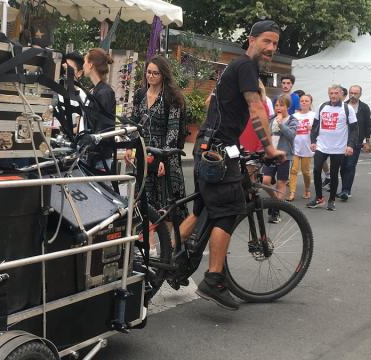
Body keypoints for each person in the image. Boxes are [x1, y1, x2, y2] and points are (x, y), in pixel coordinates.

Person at [178, 20, 285, 310]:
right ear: (251, 40)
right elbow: (255, 109)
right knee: (228, 212)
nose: (271, 48)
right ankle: (214, 279)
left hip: (212, 146)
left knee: (202, 208)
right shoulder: (246, 67)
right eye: (266, 41)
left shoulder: (235, 68)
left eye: (275, 44)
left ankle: (170, 259)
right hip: (219, 150)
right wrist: (270, 148)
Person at [130, 55, 188, 222]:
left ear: (163, 75)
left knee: (167, 208)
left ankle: (169, 246)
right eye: (148, 72)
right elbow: (134, 124)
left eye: (155, 73)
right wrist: (130, 147)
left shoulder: (173, 97)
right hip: (144, 154)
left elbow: (173, 131)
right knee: (144, 204)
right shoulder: (139, 94)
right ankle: (151, 246)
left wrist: (164, 158)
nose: (151, 76)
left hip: (165, 155)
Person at [307, 84, 358, 211]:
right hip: (322, 145)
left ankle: (331, 200)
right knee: (317, 170)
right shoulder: (322, 106)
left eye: (336, 93)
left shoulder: (347, 109)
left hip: (338, 148)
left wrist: (350, 145)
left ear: (341, 94)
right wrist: (313, 141)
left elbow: (354, 129)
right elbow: (315, 126)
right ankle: (319, 198)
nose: (333, 96)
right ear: (328, 94)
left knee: (334, 174)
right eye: (331, 93)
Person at [262, 95, 296, 223]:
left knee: (281, 183)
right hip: (271, 155)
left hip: (284, 156)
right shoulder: (271, 119)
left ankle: (276, 210)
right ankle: (276, 203)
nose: (279, 107)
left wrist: (281, 123)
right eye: (276, 105)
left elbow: (291, 135)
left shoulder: (292, 120)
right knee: (265, 181)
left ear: (287, 106)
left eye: (282, 105)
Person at [82, 48, 116, 172]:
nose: (83, 65)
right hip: (92, 155)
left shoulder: (104, 92)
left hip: (100, 158)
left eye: (85, 61)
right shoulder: (94, 90)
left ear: (91, 65)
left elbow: (103, 127)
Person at [338, 85, 371, 200]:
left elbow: (368, 125)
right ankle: (344, 188)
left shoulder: (364, 108)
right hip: (342, 141)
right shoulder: (343, 106)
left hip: (356, 141)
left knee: (350, 165)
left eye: (355, 93)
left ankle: (346, 190)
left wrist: (367, 141)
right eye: (351, 93)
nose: (353, 95)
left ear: (360, 94)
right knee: (342, 167)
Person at [288, 94, 315, 201]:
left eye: (306, 101)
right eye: (302, 101)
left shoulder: (314, 115)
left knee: (306, 171)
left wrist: (312, 128)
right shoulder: (294, 116)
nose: (304, 102)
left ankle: (307, 189)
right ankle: (292, 193)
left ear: (310, 103)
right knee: (293, 170)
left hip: (307, 147)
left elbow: (319, 130)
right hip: (295, 146)